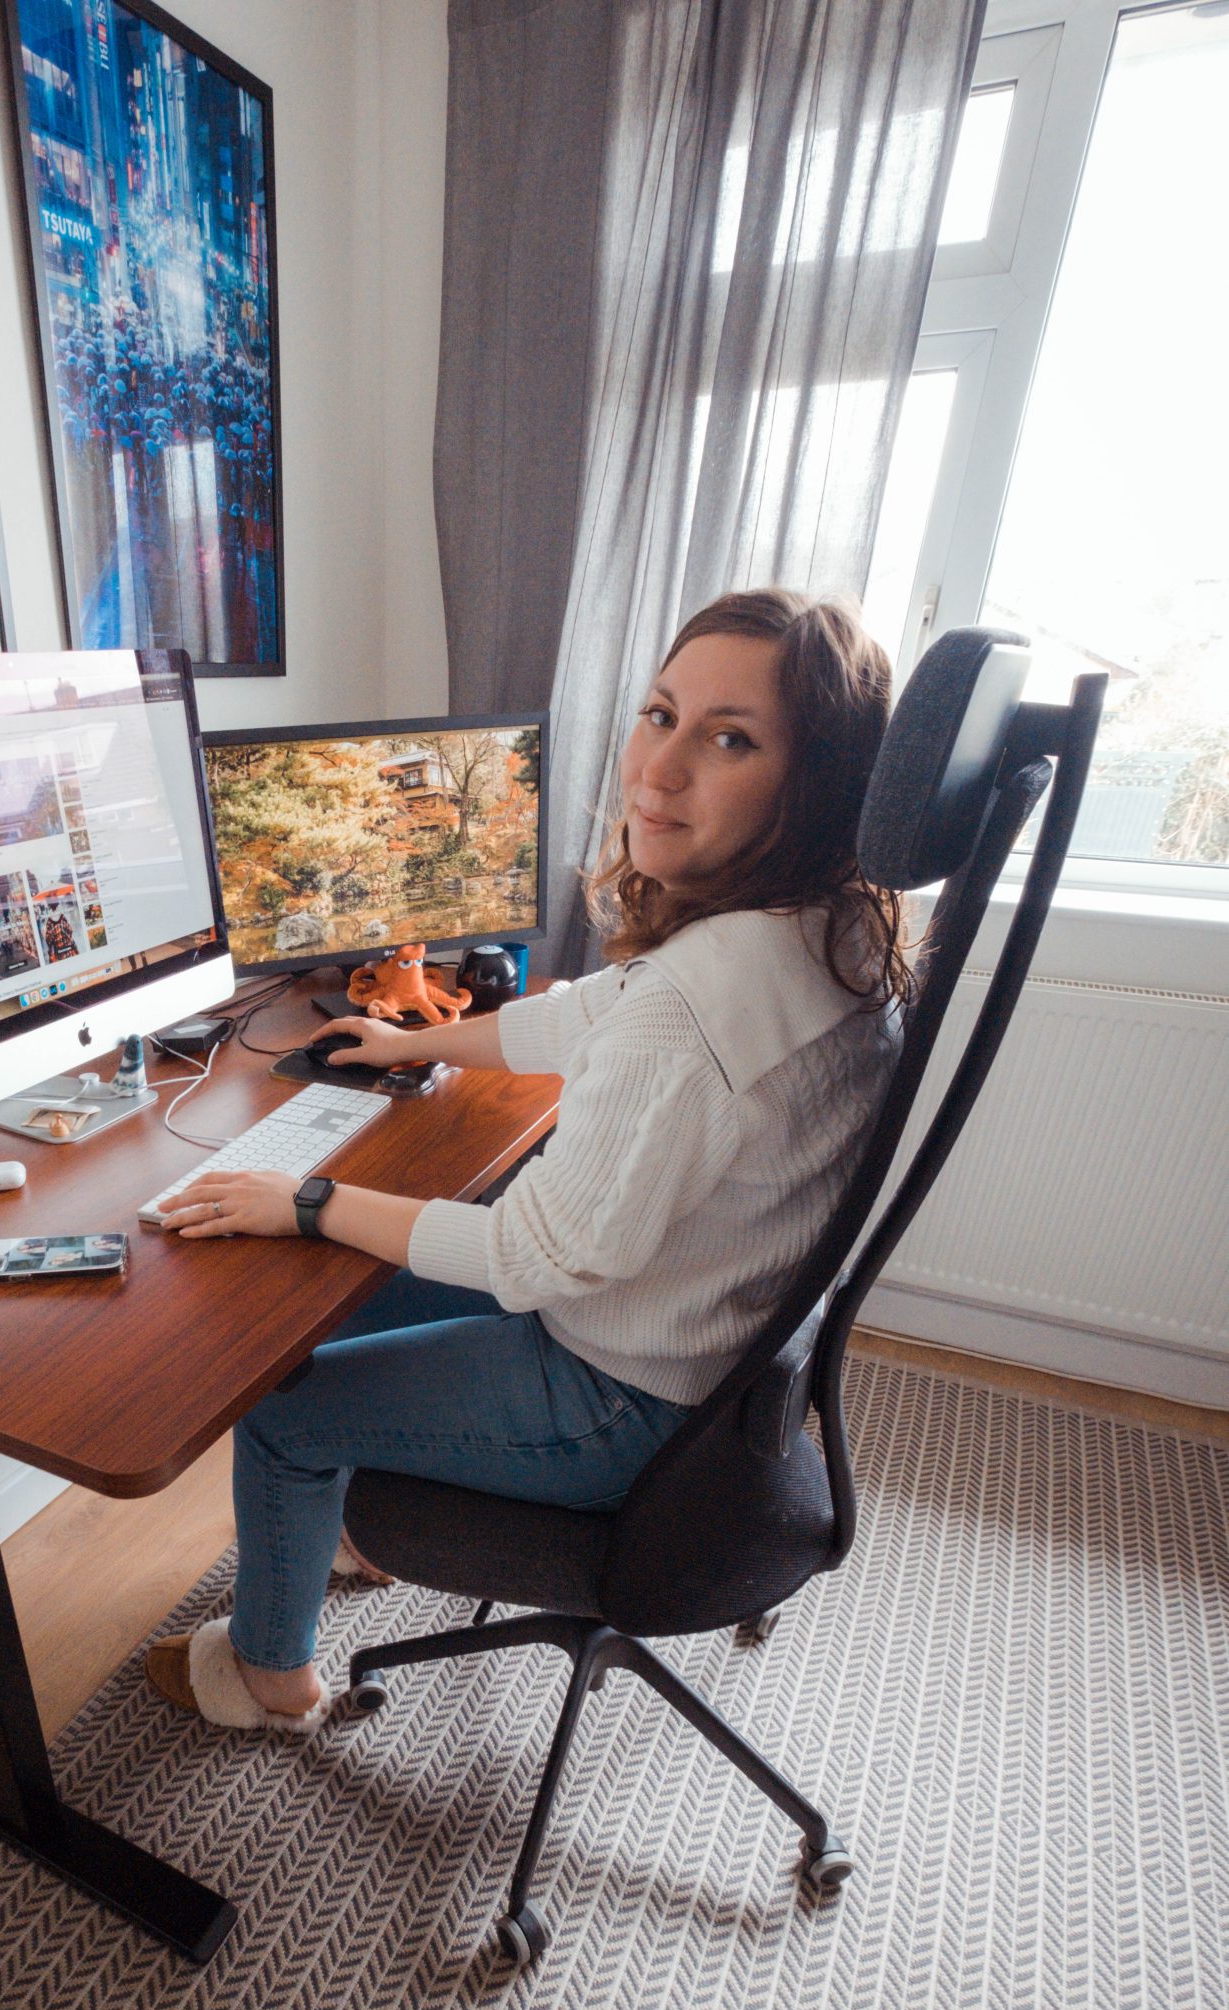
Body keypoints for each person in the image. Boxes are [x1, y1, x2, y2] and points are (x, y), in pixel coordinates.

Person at [146, 588, 908, 1733]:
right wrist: (415, 1041)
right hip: (714, 1354)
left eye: (730, 737)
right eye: (660, 714)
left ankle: (269, 1677)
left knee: (282, 1405)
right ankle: (350, 1534)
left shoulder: (695, 1007)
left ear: (818, 781)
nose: (658, 770)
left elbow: (536, 1254)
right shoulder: (834, 930)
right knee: (331, 1300)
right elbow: (587, 1014)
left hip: (624, 1392)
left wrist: (308, 1199)